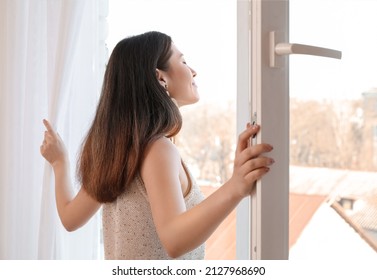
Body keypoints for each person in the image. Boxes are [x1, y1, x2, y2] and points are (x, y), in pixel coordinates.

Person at [40, 31, 274, 260]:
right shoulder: (158, 150)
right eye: (183, 61)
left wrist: (60, 163)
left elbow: (70, 218)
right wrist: (235, 187)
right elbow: (174, 240)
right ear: (161, 78)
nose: (193, 71)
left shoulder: (118, 153)